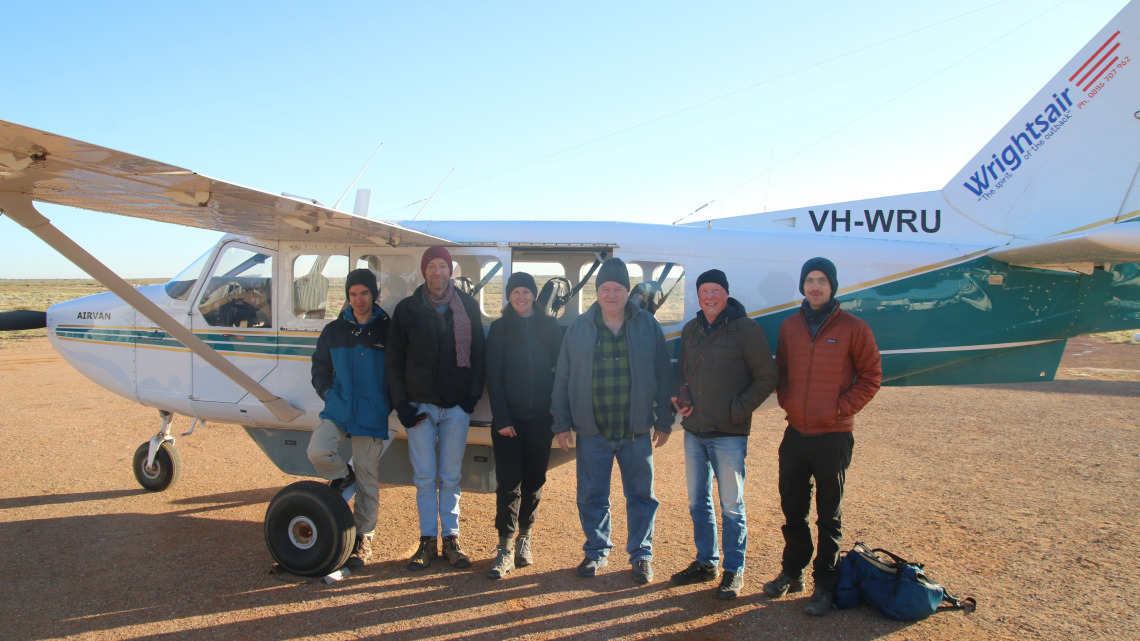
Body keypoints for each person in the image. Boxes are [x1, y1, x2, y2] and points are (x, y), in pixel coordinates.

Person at [763, 257, 882, 616]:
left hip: (834, 436)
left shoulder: (854, 327)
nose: (815, 286)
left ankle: (825, 585)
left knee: (829, 514)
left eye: (822, 281)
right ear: (803, 286)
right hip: (796, 433)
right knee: (792, 508)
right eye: (810, 280)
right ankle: (793, 571)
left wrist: (839, 409)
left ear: (832, 287)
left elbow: (871, 376)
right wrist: (788, 401)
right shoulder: (789, 327)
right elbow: (782, 371)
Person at [551, 257, 673, 584]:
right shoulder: (579, 326)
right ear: (597, 291)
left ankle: (641, 555)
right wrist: (561, 422)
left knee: (641, 496)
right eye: (605, 288)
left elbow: (664, 373)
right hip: (593, 431)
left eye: (618, 288)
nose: (611, 295)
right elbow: (563, 376)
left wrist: (663, 420)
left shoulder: (647, 324)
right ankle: (596, 551)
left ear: (627, 290)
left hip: (636, 431)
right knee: (591, 495)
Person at [669, 269, 777, 599]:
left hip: (729, 433)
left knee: (731, 505)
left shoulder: (746, 330)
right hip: (694, 430)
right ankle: (706, 562)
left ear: (726, 294)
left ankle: (734, 569)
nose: (710, 296)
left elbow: (767, 376)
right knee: (697, 502)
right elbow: (680, 372)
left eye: (716, 290)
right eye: (704, 291)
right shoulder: (690, 330)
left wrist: (738, 410)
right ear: (698, 296)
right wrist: (679, 397)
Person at [387, 246, 486, 571]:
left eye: (443, 266)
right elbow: (394, 361)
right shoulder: (407, 309)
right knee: (425, 477)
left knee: (451, 477)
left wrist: (470, 399)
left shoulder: (467, 307)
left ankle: (452, 540)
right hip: (419, 409)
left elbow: (479, 356)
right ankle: (427, 541)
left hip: (456, 407)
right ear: (424, 271)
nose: (438, 272)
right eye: (432, 266)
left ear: (450, 271)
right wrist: (401, 405)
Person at [307, 268, 392, 569]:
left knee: (369, 479)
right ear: (348, 296)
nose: (358, 300)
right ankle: (343, 476)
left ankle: (364, 538)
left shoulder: (388, 331)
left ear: (374, 295)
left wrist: (387, 402)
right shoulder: (334, 331)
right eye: (353, 294)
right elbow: (319, 367)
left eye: (364, 293)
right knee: (317, 451)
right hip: (339, 408)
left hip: (372, 413)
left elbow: (398, 371)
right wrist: (328, 393)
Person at [484, 271, 564, 579]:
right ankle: (504, 547)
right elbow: (494, 375)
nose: (521, 297)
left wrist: (558, 414)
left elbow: (561, 370)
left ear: (534, 296)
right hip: (510, 421)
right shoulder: (500, 328)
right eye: (516, 292)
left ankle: (524, 539)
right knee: (508, 483)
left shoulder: (549, 327)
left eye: (526, 292)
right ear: (509, 296)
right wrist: (502, 418)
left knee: (534, 481)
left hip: (541, 420)